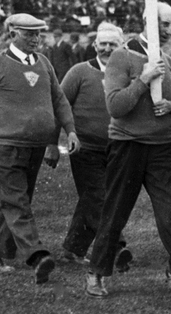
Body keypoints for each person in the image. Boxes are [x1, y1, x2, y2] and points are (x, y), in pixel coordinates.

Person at [85, 2, 171, 307]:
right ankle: (97, 271)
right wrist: (144, 79)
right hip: (127, 147)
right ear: (149, 23)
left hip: (162, 150)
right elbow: (116, 107)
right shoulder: (122, 56)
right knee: (116, 212)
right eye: (166, 25)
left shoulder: (169, 62)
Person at [0, 13, 80, 285]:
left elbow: (59, 100)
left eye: (38, 34)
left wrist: (70, 131)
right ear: (12, 35)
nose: (35, 39)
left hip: (35, 147)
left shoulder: (44, 63)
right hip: (6, 147)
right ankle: (37, 255)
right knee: (16, 201)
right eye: (28, 34)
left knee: (13, 201)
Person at [56, 22, 132, 271]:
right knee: (99, 197)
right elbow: (59, 106)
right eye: (103, 44)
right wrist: (51, 144)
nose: (107, 48)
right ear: (95, 45)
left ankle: (72, 250)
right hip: (85, 148)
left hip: (118, 148)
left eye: (113, 44)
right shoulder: (79, 72)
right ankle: (116, 247)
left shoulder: (129, 74)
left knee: (93, 199)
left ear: (122, 47)